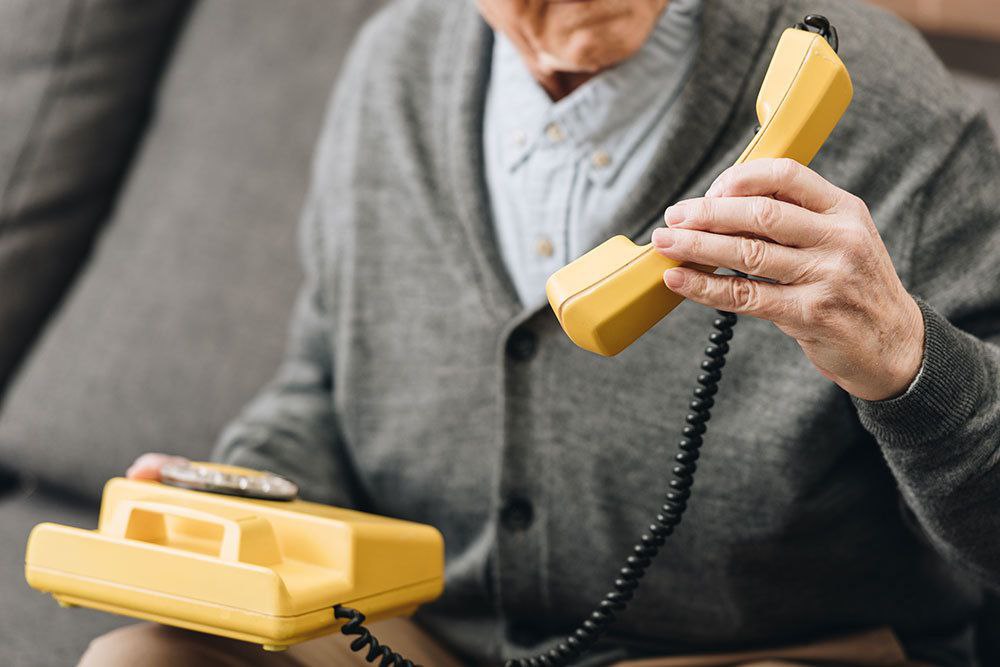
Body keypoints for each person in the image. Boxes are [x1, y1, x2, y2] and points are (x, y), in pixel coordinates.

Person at [80, 0, 1000, 665]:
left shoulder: (889, 107)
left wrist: (910, 364)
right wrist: (243, 506)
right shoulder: (392, 65)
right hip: (433, 636)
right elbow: (323, 382)